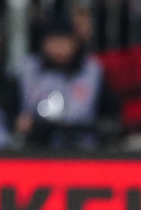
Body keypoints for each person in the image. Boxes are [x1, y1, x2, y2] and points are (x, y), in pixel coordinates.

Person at [11, 12, 115, 150]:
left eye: (64, 42)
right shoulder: (29, 69)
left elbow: (109, 110)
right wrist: (18, 121)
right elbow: (10, 106)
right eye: (54, 42)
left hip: (83, 147)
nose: (59, 48)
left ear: (75, 43)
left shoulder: (91, 71)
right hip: (36, 147)